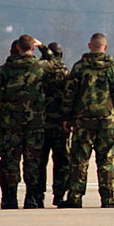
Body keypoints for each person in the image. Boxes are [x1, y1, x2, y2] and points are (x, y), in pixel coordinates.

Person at [60, 33, 114, 208]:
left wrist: (67, 117)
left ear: (90, 46)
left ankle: (75, 197)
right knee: (106, 160)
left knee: (79, 160)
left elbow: (69, 95)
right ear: (105, 47)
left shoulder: (79, 68)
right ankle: (109, 198)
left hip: (83, 122)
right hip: (107, 121)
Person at [0, 34, 53, 209]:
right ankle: (32, 198)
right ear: (32, 48)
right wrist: (43, 47)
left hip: (10, 123)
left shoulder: (2, 71)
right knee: (33, 161)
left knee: (9, 161)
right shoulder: (41, 68)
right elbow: (56, 64)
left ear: (17, 48)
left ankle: (9, 198)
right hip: (35, 123)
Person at [37, 42, 70, 207]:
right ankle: (59, 195)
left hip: (40, 124)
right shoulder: (63, 72)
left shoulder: (36, 70)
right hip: (60, 125)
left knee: (39, 162)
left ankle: (38, 196)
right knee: (62, 162)